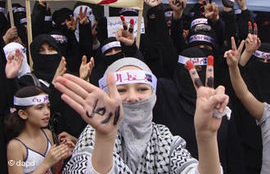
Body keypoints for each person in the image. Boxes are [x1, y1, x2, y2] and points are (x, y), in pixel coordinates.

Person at [54, 57, 228, 173]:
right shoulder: (94, 136)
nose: (132, 97)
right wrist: (105, 139)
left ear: (154, 94)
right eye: (121, 90)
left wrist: (207, 136)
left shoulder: (162, 137)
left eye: (142, 89)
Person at [225, 36, 270, 174]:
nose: (264, 64)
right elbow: (242, 93)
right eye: (260, 60)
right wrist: (234, 66)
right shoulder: (267, 114)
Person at [4, 86, 74, 174]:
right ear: (23, 114)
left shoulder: (48, 134)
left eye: (48, 107)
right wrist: (45, 164)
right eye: (40, 108)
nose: (47, 112)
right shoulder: (15, 146)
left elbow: (54, 171)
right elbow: (46, 165)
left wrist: (60, 156)